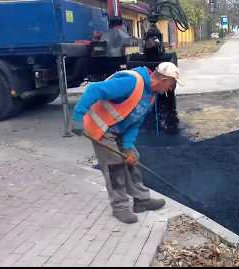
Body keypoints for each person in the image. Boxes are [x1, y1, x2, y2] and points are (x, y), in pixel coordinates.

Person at [71, 62, 180, 224]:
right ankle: (120, 207)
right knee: (114, 166)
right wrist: (77, 117)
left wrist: (128, 147)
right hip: (101, 128)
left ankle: (141, 200)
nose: (170, 90)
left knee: (133, 158)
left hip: (118, 130)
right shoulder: (131, 82)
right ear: (163, 79)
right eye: (171, 85)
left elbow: (135, 122)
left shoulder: (151, 95)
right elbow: (95, 89)